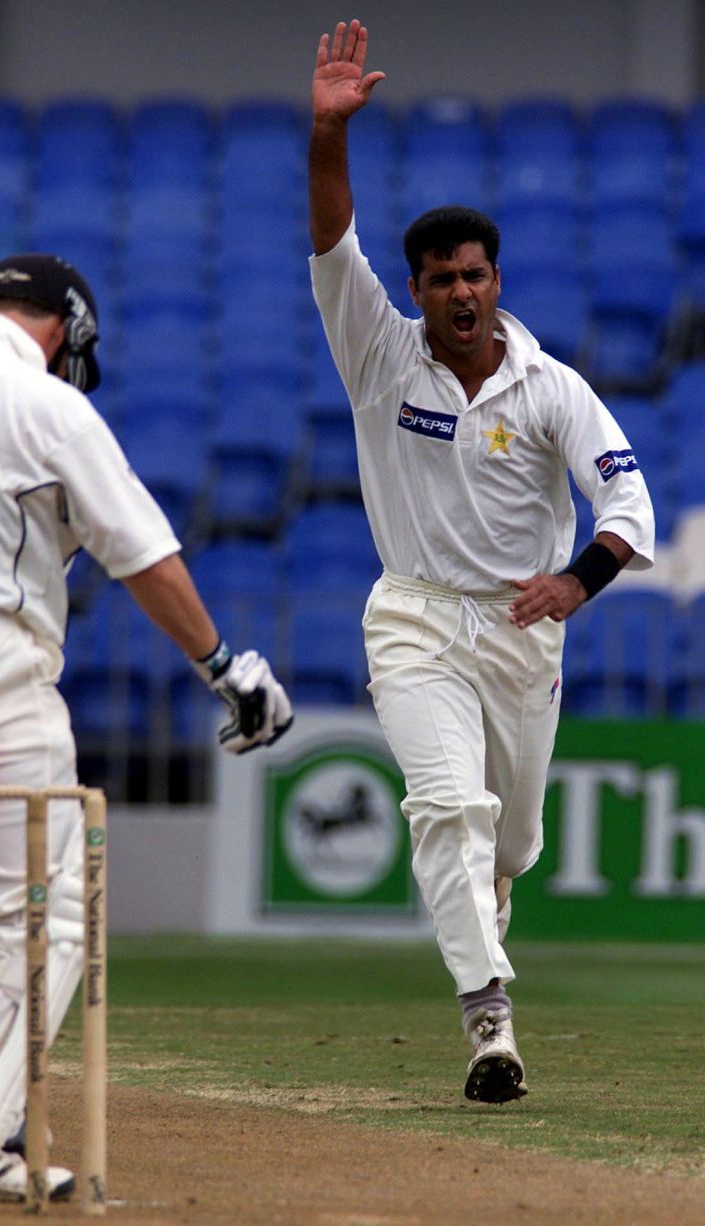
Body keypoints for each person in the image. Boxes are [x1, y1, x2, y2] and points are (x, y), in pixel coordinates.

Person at [308, 21, 654, 1103]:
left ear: (493, 276)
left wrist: (572, 581)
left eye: (473, 274)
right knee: (444, 810)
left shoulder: (548, 385)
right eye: (438, 279)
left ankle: (491, 905)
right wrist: (327, 137)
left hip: (519, 633)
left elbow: (626, 494)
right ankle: (488, 1019)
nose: (458, 293)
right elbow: (330, 244)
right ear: (412, 289)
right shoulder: (376, 349)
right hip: (412, 616)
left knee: (507, 842)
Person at [0, 252, 293, 1201]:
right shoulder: (46, 404)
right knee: (42, 909)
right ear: (65, 327)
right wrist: (222, 669)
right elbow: (144, 556)